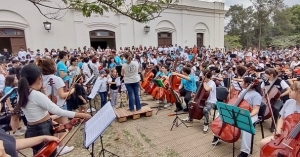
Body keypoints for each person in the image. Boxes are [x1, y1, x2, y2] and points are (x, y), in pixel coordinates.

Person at [16, 64, 91, 157]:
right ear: (39, 78)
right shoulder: (35, 95)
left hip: (33, 130)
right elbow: (59, 111)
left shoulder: (22, 93)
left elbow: (39, 115)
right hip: (42, 130)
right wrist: (83, 115)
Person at [212, 77, 262, 157]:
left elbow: (256, 109)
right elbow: (237, 102)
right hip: (238, 111)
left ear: (247, 84)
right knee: (220, 114)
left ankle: (245, 151)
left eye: (243, 82)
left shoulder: (256, 95)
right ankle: (217, 134)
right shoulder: (243, 91)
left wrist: (248, 115)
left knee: (246, 127)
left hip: (250, 114)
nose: (241, 83)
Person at [260, 81, 300, 151]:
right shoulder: (289, 102)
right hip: (285, 135)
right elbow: (281, 118)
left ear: (299, 92)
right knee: (263, 143)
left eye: (292, 90)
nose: (289, 91)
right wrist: (278, 131)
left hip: (297, 142)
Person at [261, 68, 290, 132]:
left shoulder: (280, 81)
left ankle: (273, 125)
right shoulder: (265, 81)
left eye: (266, 74)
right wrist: (263, 91)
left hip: (278, 99)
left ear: (271, 75)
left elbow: (289, 89)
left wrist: (281, 95)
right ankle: (261, 118)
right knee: (260, 105)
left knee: (276, 108)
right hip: (267, 98)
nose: (264, 75)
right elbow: (261, 89)